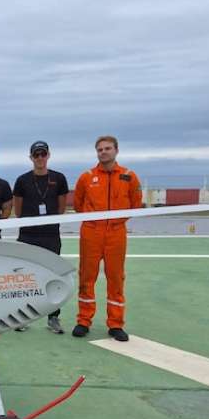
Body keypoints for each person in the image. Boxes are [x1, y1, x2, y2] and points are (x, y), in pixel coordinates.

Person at [72, 135, 142, 342]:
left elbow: (135, 205)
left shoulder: (129, 176)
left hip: (116, 233)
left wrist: (116, 222)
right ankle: (84, 320)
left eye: (107, 148)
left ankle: (116, 324)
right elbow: (78, 204)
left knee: (116, 277)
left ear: (116, 150)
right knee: (86, 276)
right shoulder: (86, 177)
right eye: (100, 149)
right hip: (91, 233)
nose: (104, 152)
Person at [13, 141, 69, 334]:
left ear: (48, 155)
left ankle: (53, 317)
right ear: (31, 157)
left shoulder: (59, 178)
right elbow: (18, 210)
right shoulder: (22, 180)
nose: (40, 158)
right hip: (28, 235)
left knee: (53, 276)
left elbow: (61, 208)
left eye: (43, 154)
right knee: (26, 278)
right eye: (36, 155)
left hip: (51, 235)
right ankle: (22, 318)